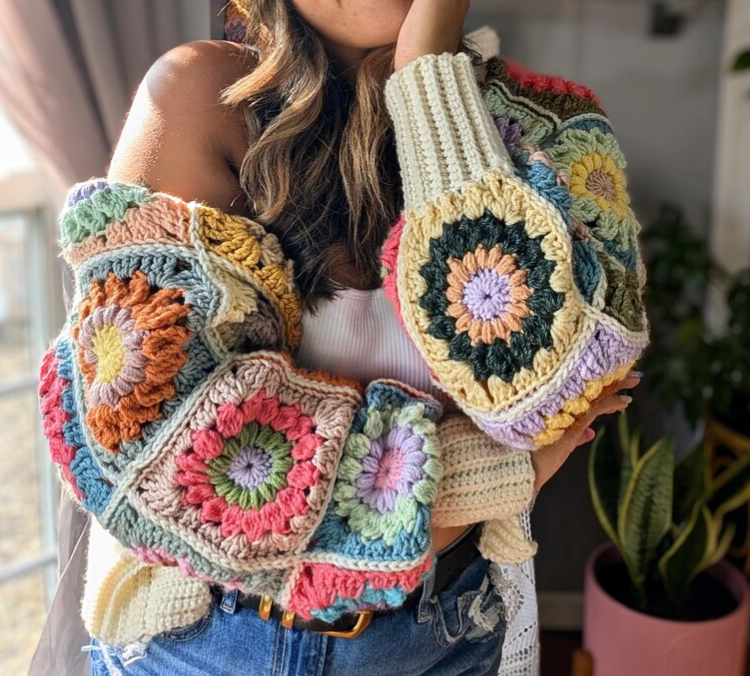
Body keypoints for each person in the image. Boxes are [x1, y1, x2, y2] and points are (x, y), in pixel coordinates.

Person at [34, 1, 644, 675]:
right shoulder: (198, 95)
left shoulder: (554, 127)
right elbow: (156, 447)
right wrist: (493, 474)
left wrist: (429, 78)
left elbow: (547, 389)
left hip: (445, 638)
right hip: (205, 645)